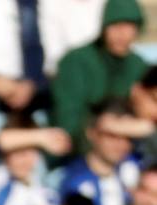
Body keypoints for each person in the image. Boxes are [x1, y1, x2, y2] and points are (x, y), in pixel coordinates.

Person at [51, 0, 147, 152]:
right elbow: (68, 120)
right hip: (83, 150)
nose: (123, 34)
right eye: (116, 26)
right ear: (104, 28)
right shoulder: (76, 62)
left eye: (130, 27)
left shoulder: (138, 65)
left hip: (129, 149)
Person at [58, 99, 145, 205]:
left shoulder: (141, 168)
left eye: (127, 136)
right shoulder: (72, 181)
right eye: (111, 135)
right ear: (91, 133)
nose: (121, 143)